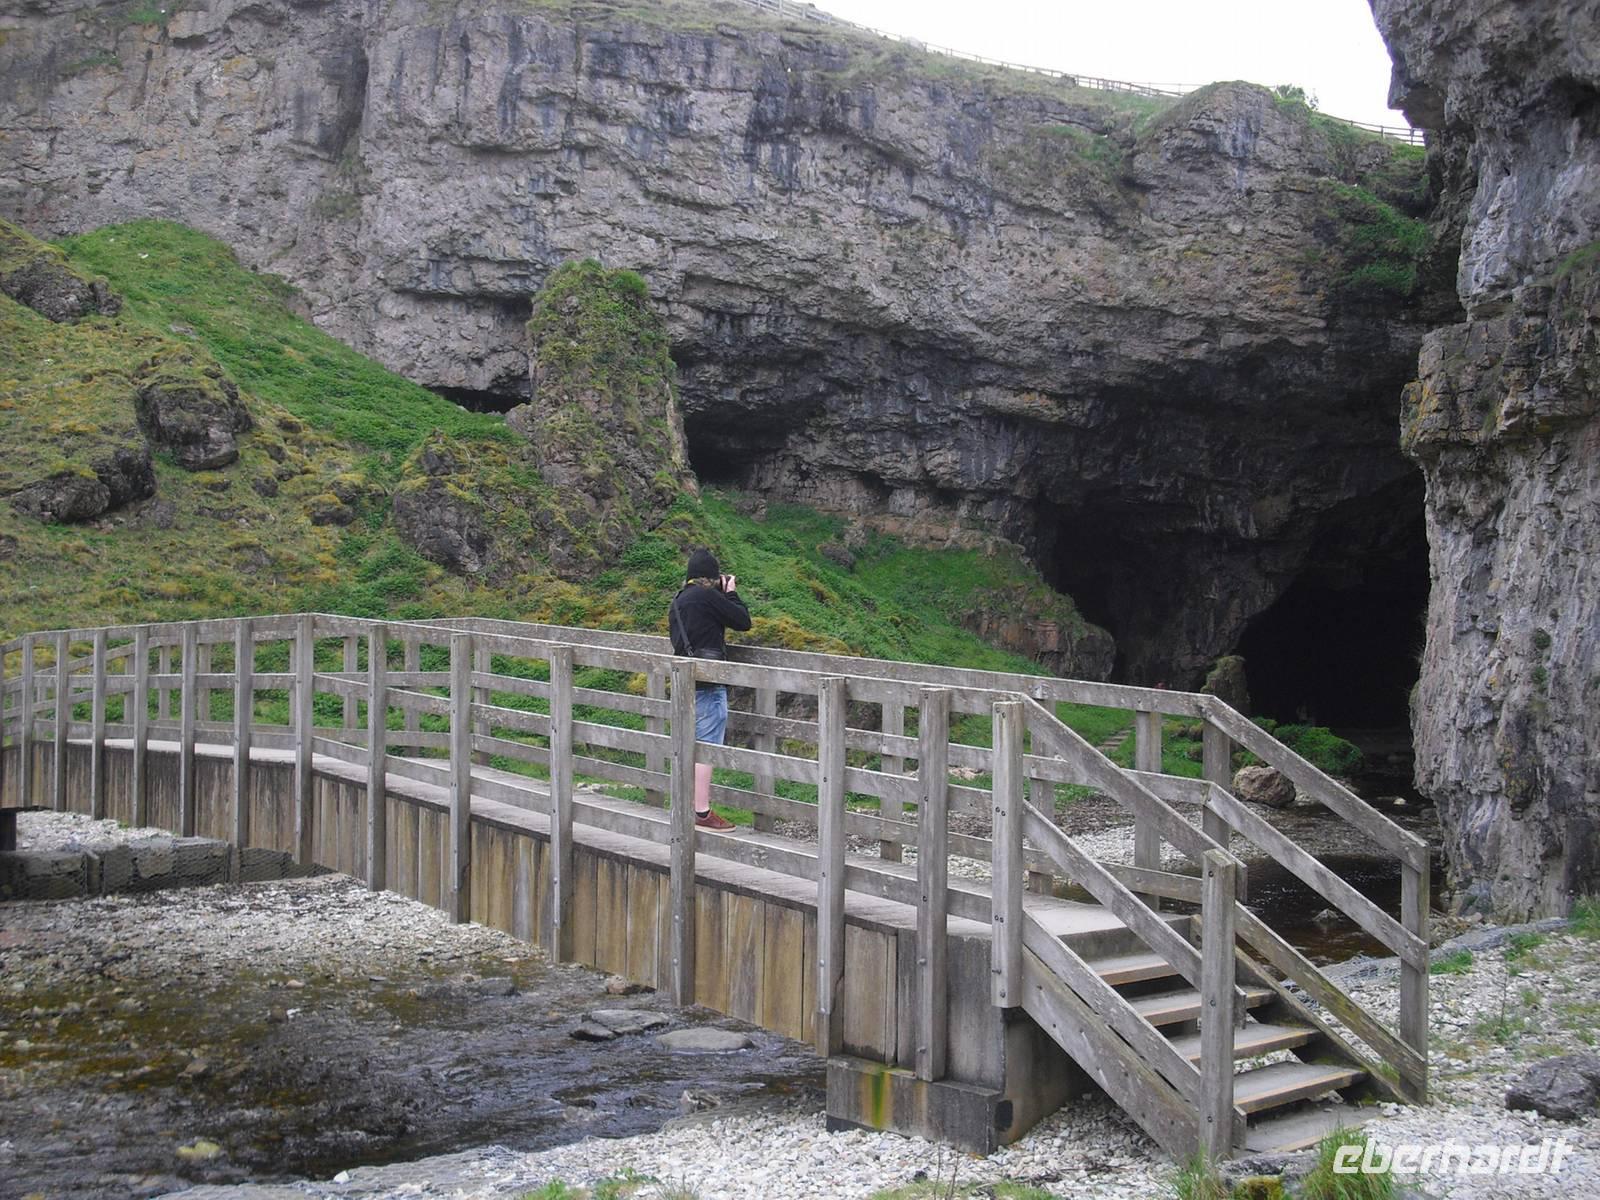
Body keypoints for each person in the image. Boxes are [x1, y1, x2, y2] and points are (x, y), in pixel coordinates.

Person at [667, 548, 751, 831]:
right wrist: (730, 592)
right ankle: (701, 812)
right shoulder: (707, 596)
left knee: (687, 744)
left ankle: (684, 804)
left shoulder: (678, 601)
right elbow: (743, 621)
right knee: (707, 745)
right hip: (708, 682)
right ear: (712, 578)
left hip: (684, 683)